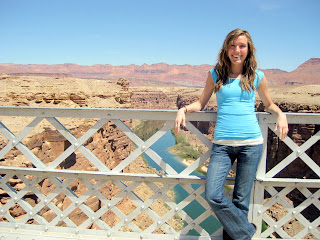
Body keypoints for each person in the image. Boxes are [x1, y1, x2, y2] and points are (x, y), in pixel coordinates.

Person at [174, 29, 288, 240]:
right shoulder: (215, 74)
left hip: (251, 143)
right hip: (223, 145)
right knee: (213, 194)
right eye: (233, 46)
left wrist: (280, 115)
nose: (237, 50)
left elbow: (269, 104)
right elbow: (201, 102)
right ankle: (247, 232)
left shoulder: (257, 76)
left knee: (240, 201)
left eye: (242, 46)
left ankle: (239, 235)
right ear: (226, 49)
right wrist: (183, 109)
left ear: (248, 49)